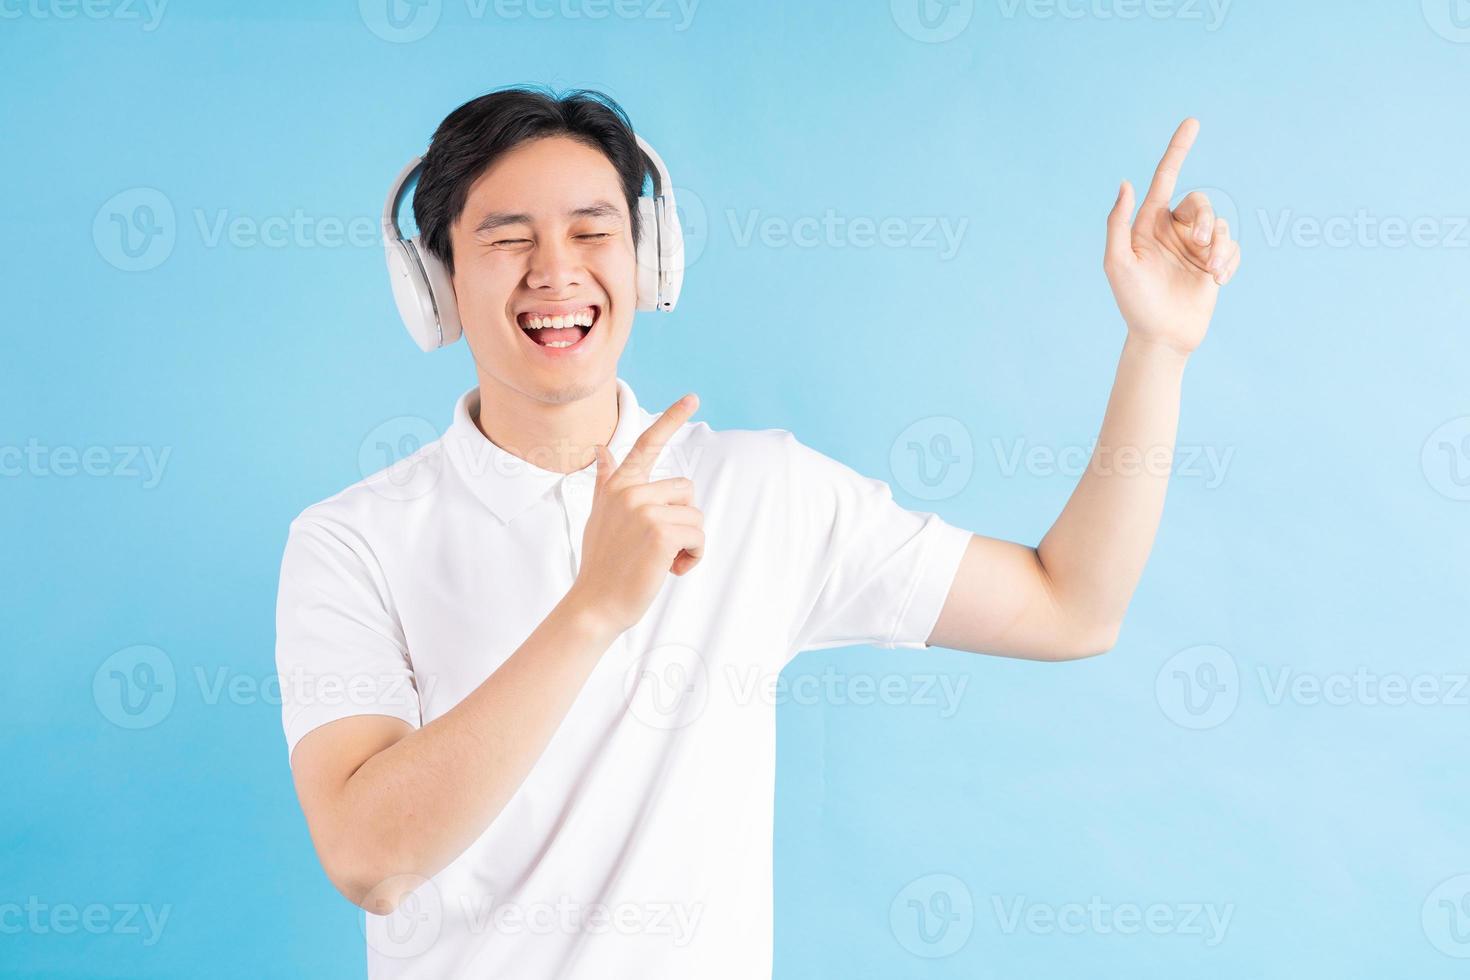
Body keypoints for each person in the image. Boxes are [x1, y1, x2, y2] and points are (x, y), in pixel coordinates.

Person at [274, 85, 1240, 978]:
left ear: (649, 262)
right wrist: (593, 608)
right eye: (506, 239)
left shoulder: (764, 490)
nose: (556, 271)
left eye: (592, 231)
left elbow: (1074, 607)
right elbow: (369, 860)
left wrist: (1157, 346)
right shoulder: (351, 542)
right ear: (435, 281)